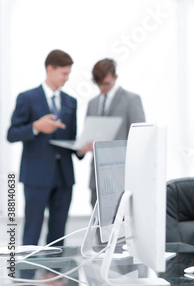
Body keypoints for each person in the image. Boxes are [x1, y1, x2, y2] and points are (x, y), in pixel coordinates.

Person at [7, 49, 82, 246]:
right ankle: (25, 276)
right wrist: (35, 127)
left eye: (69, 73)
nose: (67, 78)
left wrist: (82, 147)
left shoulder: (70, 102)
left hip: (64, 176)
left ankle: (55, 276)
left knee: (58, 235)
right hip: (36, 176)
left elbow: (71, 138)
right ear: (50, 69)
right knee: (32, 231)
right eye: (64, 73)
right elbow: (12, 134)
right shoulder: (27, 98)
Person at [81, 58, 145, 208]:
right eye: (98, 84)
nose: (102, 88)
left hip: (121, 177)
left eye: (106, 84)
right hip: (97, 178)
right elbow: (87, 133)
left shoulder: (131, 100)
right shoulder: (93, 103)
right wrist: (84, 146)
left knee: (122, 226)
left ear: (115, 78)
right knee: (98, 227)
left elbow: (140, 138)